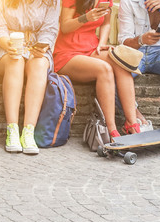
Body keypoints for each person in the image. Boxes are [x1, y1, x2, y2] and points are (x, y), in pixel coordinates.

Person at [54, 0, 140, 138]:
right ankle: (111, 130)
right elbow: (64, 26)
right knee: (104, 69)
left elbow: (106, 23)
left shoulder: (105, 1)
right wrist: (85, 18)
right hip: (67, 53)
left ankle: (132, 123)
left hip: (91, 47)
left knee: (121, 62)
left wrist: (101, 43)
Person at [0, 0, 60, 154]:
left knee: (39, 65)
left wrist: (43, 46)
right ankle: (12, 129)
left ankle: (28, 131)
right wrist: (9, 45)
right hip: (4, 48)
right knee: (16, 61)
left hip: (35, 48)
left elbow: (50, 29)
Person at [119, 0, 160, 134]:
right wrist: (141, 40)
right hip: (135, 54)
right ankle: (136, 118)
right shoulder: (128, 2)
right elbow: (124, 42)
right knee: (115, 68)